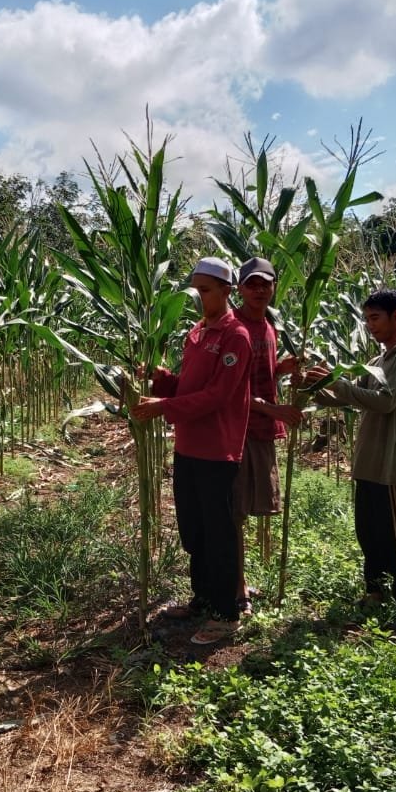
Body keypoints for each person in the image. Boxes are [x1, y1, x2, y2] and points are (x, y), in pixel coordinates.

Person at [132, 257, 252, 645]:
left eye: (205, 291)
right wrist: (162, 380)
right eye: (196, 290)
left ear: (226, 291)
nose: (198, 298)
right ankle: (202, 598)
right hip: (188, 446)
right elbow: (190, 385)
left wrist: (162, 407)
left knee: (218, 531)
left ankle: (226, 612)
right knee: (194, 528)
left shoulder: (236, 337)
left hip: (218, 450)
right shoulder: (199, 331)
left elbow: (219, 395)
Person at [304, 288, 396, 637]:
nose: (369, 325)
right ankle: (376, 594)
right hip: (367, 461)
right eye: (367, 319)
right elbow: (347, 398)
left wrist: (338, 385)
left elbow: (385, 402)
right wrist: (314, 387)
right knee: (369, 535)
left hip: (389, 464)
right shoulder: (376, 361)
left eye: (375, 318)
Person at [232, 257, 302, 614]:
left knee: (247, 506)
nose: (260, 290)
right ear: (240, 288)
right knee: (236, 510)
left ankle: (238, 580)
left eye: (266, 284)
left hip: (259, 431)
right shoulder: (236, 327)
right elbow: (232, 387)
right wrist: (275, 410)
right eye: (252, 284)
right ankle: (236, 585)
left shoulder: (268, 326)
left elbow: (259, 373)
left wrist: (280, 369)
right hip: (238, 431)